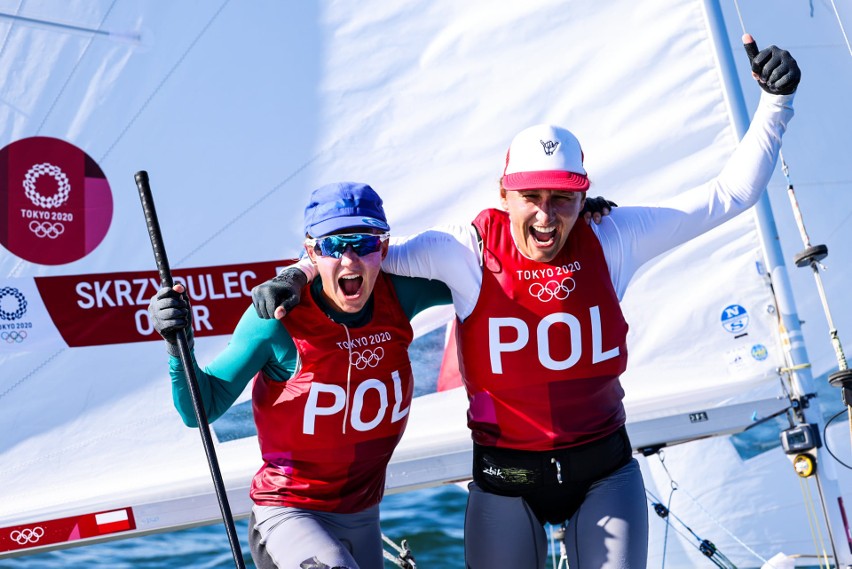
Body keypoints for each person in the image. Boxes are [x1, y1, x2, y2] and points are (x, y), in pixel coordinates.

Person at [251, 38, 800, 568]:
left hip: (604, 475)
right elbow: (367, 253)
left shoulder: (615, 236)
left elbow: (731, 196)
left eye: (563, 197)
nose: (546, 214)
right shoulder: (462, 250)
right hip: (505, 483)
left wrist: (777, 102)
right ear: (503, 193)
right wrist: (296, 273)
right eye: (531, 197)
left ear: (584, 194)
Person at [149, 182, 452, 569]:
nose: (349, 260)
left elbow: (477, 266)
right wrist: (179, 346)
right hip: (289, 513)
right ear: (311, 250)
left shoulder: (402, 294)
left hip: (363, 514)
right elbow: (200, 409)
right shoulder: (276, 319)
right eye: (331, 246)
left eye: (364, 243)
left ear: (385, 247)